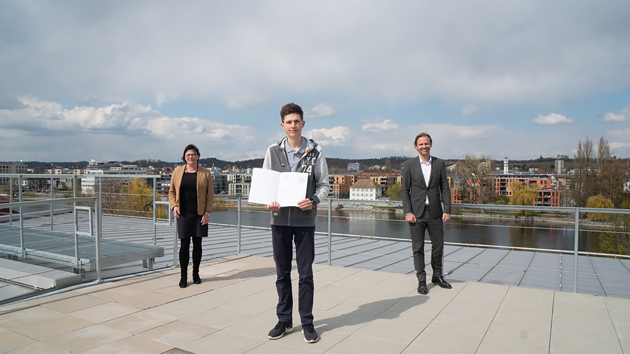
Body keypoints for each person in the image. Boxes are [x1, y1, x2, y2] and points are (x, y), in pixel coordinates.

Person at [263, 103, 329, 343]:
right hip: (279, 220)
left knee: (305, 274)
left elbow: (325, 186)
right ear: (283, 125)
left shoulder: (316, 151)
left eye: (296, 121)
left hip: (304, 223)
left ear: (303, 124)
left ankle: (307, 321)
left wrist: (313, 200)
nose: (293, 125)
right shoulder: (272, 151)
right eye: (288, 122)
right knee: (282, 274)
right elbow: (267, 186)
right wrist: (268, 203)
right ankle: (284, 319)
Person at [401, 132, 452, 295]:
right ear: (416, 146)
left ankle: (437, 276)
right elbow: (404, 190)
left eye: (426, 143)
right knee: (418, 248)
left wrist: (447, 209)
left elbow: (445, 187)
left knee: (438, 246)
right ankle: (421, 280)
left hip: (436, 212)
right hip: (416, 213)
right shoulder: (409, 165)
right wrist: (407, 211)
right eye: (421, 144)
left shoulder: (439, 164)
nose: (424, 146)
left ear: (431, 144)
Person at [169, 144, 214, 288]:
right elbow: (171, 192)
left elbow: (210, 195)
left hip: (199, 213)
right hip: (183, 213)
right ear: (184, 157)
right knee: (184, 244)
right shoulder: (177, 171)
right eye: (188, 155)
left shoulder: (205, 173)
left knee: (197, 244)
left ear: (198, 156)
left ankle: (196, 274)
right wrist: (174, 206)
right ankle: (183, 276)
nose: (191, 157)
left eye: (193, 154)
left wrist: (207, 213)